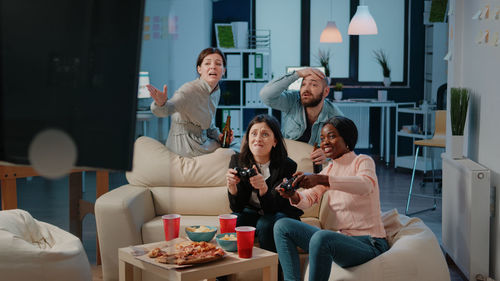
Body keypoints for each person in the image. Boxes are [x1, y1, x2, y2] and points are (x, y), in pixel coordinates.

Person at [274, 116, 389, 281]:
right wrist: (293, 194)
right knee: (282, 226)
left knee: (322, 237)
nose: (325, 142)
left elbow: (364, 185)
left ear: (347, 139)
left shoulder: (362, 161)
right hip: (341, 240)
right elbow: (309, 198)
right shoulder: (330, 170)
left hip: (370, 243)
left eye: (332, 136)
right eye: (322, 138)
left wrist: (321, 179)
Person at [226, 114, 303, 253]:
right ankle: (224, 273)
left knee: (266, 223)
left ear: (275, 141)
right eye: (253, 134)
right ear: (248, 138)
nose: (258, 139)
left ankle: (275, 272)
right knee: (233, 220)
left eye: (265, 134)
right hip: (252, 212)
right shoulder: (237, 160)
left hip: (279, 212)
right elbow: (236, 207)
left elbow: (273, 208)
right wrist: (232, 188)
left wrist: (263, 188)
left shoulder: (287, 166)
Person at [147, 47, 232, 158]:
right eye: (207, 63)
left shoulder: (216, 91)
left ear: (224, 70)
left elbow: (208, 124)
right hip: (184, 145)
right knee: (229, 155)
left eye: (218, 64)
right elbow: (168, 109)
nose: (213, 67)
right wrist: (161, 103)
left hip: (201, 140)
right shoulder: (189, 89)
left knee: (234, 147)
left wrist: (219, 136)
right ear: (199, 69)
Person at [259, 67, 343, 167]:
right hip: (286, 163)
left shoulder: (335, 116)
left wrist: (328, 153)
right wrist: (297, 74)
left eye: (314, 84)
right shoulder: (292, 101)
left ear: (326, 92)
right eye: (303, 84)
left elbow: (345, 145)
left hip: (314, 168)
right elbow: (266, 95)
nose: (306, 89)